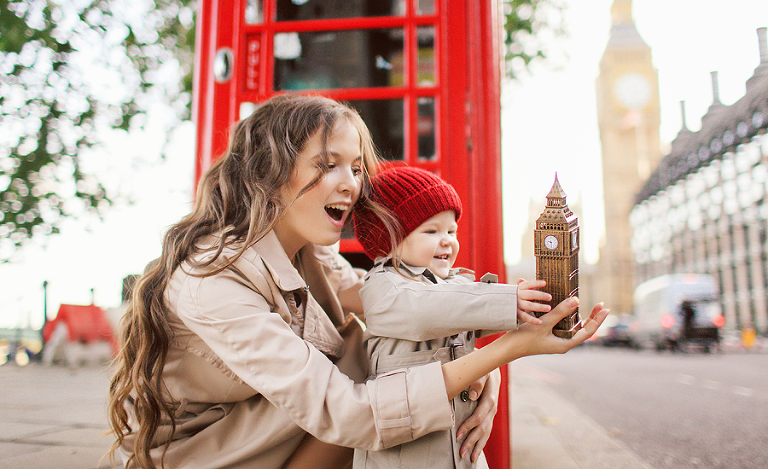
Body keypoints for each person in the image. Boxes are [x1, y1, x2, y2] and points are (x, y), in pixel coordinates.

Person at [107, 94, 609, 469]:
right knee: (358, 361)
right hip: (208, 453)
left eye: (355, 166)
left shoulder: (307, 249)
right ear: (269, 173)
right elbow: (349, 411)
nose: (351, 184)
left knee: (370, 350)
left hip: (272, 434)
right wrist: (506, 351)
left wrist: (487, 367)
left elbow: (398, 306)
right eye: (326, 166)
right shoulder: (212, 279)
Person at [349, 165, 555, 469]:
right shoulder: (383, 287)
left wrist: (534, 307)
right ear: (388, 239)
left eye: (451, 231)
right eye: (431, 231)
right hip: (404, 457)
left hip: (460, 451)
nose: (447, 240)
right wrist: (509, 301)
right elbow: (426, 310)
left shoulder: (453, 285)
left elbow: (472, 308)